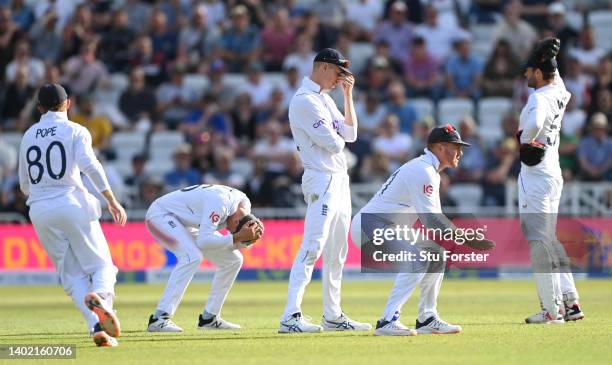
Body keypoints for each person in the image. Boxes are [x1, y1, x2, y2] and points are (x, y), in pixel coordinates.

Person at [350, 124, 495, 336]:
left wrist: (461, 237)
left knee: (436, 254)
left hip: (384, 226)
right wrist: (466, 239)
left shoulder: (428, 170)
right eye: (456, 146)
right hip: (370, 226)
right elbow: (433, 221)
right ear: (439, 147)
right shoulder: (424, 171)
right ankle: (387, 320)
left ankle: (427, 317)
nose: (460, 152)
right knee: (416, 260)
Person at [18, 84, 127, 347]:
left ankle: (96, 328)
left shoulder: (28, 135)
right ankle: (100, 298)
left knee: (72, 277)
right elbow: (90, 165)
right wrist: (111, 200)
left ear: (40, 108)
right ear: (68, 104)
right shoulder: (76, 130)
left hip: (40, 210)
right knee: (102, 267)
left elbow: (24, 185)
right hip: (71, 202)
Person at [279, 48, 371, 333]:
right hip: (321, 177)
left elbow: (351, 135)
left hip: (338, 178)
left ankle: (332, 315)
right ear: (322, 68)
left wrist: (347, 96)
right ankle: (290, 316)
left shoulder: (325, 99)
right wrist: (337, 134)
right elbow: (335, 144)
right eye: (338, 73)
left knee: (337, 252)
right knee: (313, 246)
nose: (340, 78)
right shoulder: (305, 100)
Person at [517, 38, 584, 324]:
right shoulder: (561, 91)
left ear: (540, 74)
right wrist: (549, 56)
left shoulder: (539, 97)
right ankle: (570, 303)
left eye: (530, 70)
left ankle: (550, 310)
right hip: (553, 173)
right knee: (550, 239)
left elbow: (534, 123)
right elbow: (557, 80)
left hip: (537, 175)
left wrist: (525, 140)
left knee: (538, 241)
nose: (525, 75)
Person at [145, 184, 264, 332]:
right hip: (161, 215)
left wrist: (247, 242)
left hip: (186, 223)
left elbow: (223, 243)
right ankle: (159, 318)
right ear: (235, 222)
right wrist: (238, 237)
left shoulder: (244, 205)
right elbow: (204, 241)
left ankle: (209, 318)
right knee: (192, 256)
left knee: (233, 260)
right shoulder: (220, 203)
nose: (227, 230)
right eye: (230, 230)